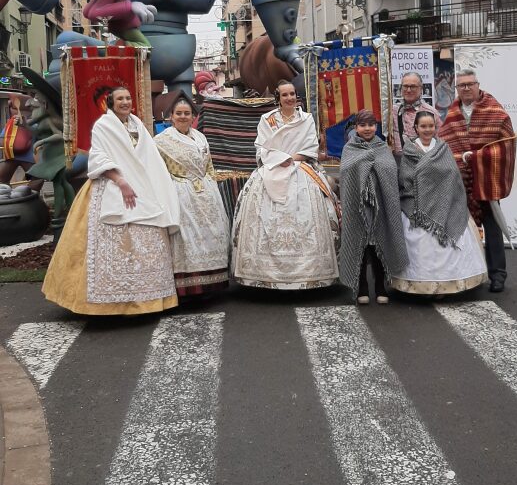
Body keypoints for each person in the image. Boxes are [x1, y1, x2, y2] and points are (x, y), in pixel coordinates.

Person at [43, 87, 179, 316]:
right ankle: (106, 303)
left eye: (128, 98)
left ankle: (147, 299)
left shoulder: (138, 126)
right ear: (111, 103)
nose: (125, 102)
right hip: (112, 186)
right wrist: (121, 181)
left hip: (143, 188)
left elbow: (149, 159)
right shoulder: (103, 126)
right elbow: (98, 157)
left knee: (147, 242)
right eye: (120, 99)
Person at [231, 79, 339, 290]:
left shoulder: (306, 119)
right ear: (277, 98)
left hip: (301, 169)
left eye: (292, 94)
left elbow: (310, 146)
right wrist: (281, 159)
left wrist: (293, 159)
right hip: (272, 168)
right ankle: (262, 273)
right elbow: (262, 148)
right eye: (285, 95)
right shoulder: (267, 119)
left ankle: (311, 273)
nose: (290, 98)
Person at [390, 111, 488, 297]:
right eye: (423, 126)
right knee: (420, 248)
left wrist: (445, 196)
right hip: (416, 207)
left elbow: (453, 177)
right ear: (416, 128)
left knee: (447, 243)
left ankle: (448, 284)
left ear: (436, 127)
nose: (427, 130)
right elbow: (404, 179)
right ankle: (420, 284)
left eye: (431, 126)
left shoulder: (443, 149)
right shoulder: (409, 152)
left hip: (446, 204)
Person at [440, 69, 516, 293]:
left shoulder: (494, 109)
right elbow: (446, 145)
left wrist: (479, 158)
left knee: (492, 227)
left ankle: (498, 275)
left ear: (477, 85)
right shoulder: (453, 112)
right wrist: (460, 160)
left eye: (469, 84)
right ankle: (467, 273)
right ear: (457, 89)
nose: (465, 88)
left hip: (486, 178)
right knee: (463, 229)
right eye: (461, 85)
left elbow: (507, 144)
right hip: (461, 179)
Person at [155, 98, 230, 298]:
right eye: (178, 113)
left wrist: (211, 185)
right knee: (187, 238)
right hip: (180, 193)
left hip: (205, 192)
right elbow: (159, 171)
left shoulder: (200, 137)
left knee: (210, 235)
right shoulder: (161, 141)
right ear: (170, 116)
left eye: (187, 113)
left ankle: (211, 284)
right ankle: (187, 287)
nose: (183, 117)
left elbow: (209, 166)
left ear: (193, 117)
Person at [339, 109, 408, 305]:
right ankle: (361, 287)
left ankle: (380, 287)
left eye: (371, 125)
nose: (367, 129)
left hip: (381, 207)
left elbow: (389, 171)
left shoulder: (382, 147)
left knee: (379, 245)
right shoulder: (349, 149)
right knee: (360, 246)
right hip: (358, 207)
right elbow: (346, 173)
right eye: (362, 125)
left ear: (376, 127)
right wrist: (365, 163)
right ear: (356, 128)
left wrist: (372, 165)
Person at [392, 72, 441, 157]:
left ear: (421, 88)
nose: (408, 90)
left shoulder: (432, 113)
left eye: (413, 86)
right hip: (399, 165)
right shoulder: (392, 112)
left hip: (423, 164)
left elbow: (440, 143)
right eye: (405, 86)